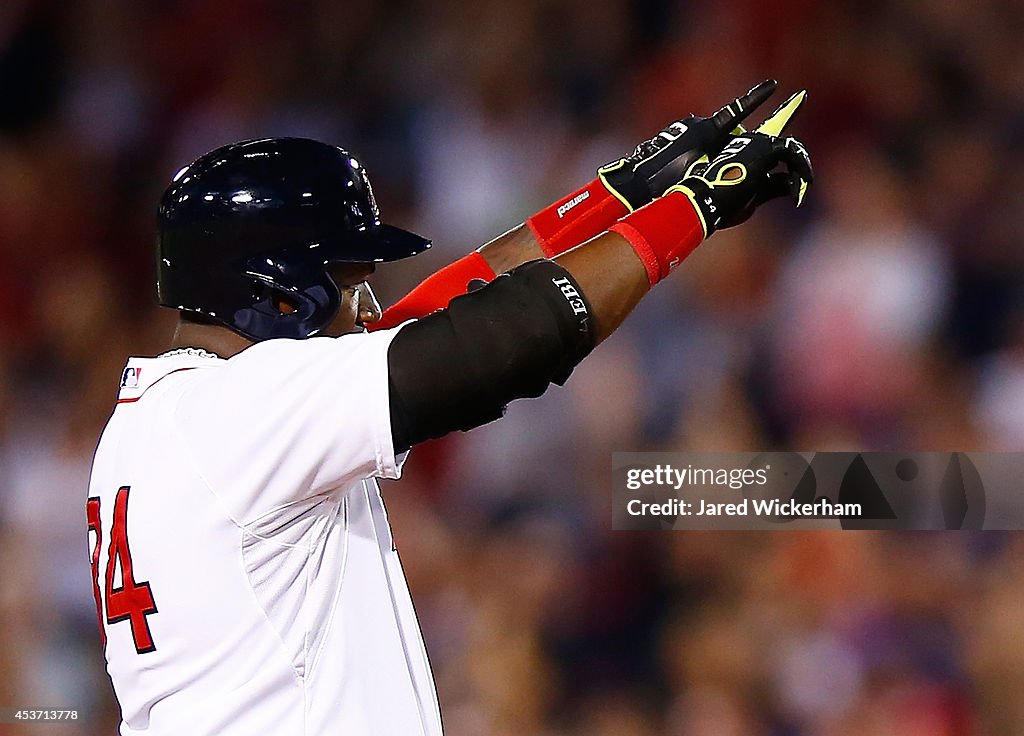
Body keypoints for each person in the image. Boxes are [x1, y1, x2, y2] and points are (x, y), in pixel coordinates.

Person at [85, 80, 812, 735]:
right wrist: (696, 209)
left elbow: (426, 322)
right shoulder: (240, 408)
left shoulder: (164, 418)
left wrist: (614, 196)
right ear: (278, 292)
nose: (367, 303)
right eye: (349, 279)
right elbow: (503, 337)